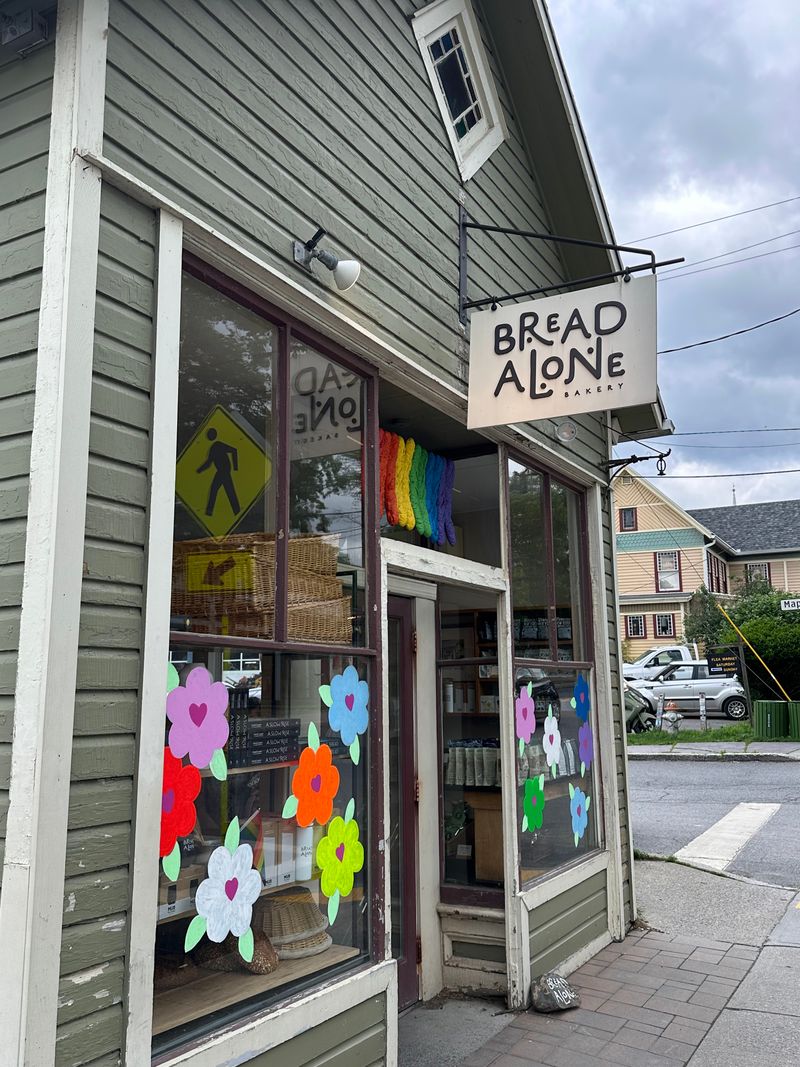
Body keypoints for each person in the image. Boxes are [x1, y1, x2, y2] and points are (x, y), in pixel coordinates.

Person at [196, 428, 240, 517]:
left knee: (218, 490)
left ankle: (210, 512)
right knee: (224, 490)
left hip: (224, 471)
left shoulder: (218, 445)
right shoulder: (213, 448)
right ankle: (236, 511)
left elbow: (234, 450)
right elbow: (209, 462)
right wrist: (199, 470)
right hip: (221, 471)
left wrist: (235, 467)